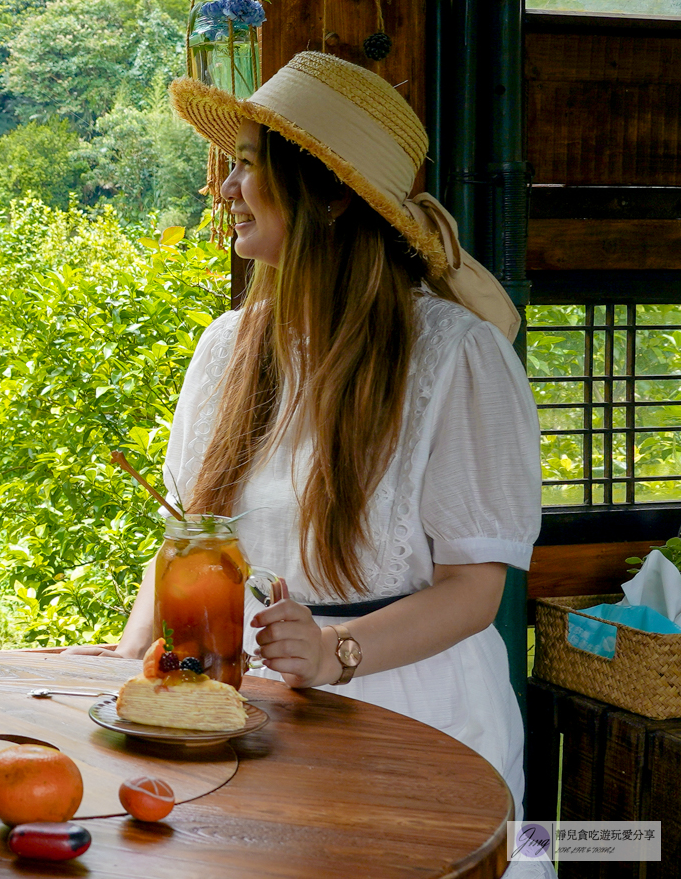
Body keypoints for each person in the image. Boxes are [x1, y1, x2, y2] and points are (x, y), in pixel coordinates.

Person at [69, 52, 550, 875]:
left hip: (421, 721)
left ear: (329, 195)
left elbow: (478, 589)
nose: (225, 190)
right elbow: (187, 538)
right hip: (253, 720)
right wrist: (128, 656)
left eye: (249, 167)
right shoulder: (228, 349)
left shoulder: (457, 356)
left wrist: (337, 652)